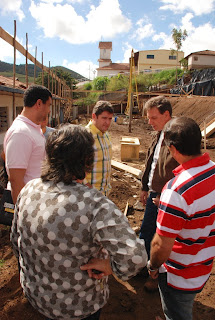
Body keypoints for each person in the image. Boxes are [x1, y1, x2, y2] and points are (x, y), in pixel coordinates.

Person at [10, 124, 147, 320]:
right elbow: (135, 258)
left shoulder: (28, 189)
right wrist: (110, 267)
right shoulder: (95, 205)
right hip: (79, 306)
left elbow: (16, 242)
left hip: (37, 298)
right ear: (87, 161)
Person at [148, 117, 215, 320]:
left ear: (173, 149)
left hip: (179, 276)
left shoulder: (176, 191)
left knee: (177, 314)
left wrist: (152, 266)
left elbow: (161, 246)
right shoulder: (212, 170)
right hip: (203, 266)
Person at [139, 96, 178, 291]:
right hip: (154, 192)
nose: (149, 122)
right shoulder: (158, 134)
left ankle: (157, 276)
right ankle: (145, 266)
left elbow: (183, 172)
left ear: (167, 115)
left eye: (153, 118)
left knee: (162, 237)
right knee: (146, 232)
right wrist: (145, 187)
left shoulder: (178, 137)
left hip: (169, 198)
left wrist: (167, 196)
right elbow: (151, 163)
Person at [4, 84, 52, 203]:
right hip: (29, 205)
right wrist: (22, 212)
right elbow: (16, 179)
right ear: (39, 103)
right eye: (49, 105)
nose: (49, 111)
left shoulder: (32, 130)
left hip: (36, 202)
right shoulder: (21, 133)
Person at [85, 100, 113, 196]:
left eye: (110, 118)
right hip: (88, 194)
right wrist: (87, 186)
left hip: (104, 194)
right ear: (94, 116)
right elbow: (73, 167)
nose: (107, 122)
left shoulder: (106, 135)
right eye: (104, 118)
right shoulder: (84, 136)